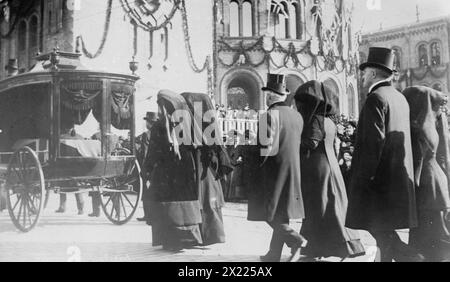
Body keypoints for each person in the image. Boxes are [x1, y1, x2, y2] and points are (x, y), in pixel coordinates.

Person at [346, 47, 422, 262]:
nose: (362, 77)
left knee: (381, 232)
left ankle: (417, 260)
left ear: (372, 73)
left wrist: (361, 180)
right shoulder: (399, 98)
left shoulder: (375, 99)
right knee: (384, 235)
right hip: (396, 182)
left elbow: (373, 144)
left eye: (364, 72)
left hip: (377, 183)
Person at [294, 80, 365, 261]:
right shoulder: (328, 120)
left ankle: (322, 247)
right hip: (329, 164)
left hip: (318, 166)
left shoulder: (316, 119)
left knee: (320, 206)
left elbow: (311, 142)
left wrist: (291, 141)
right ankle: (330, 246)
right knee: (331, 206)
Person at [247, 73, 307, 262]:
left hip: (272, 172)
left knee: (268, 212)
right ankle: (273, 254)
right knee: (282, 213)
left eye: (267, 93)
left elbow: (264, 150)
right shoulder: (297, 116)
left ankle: (295, 239)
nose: (266, 97)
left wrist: (254, 170)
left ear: (271, 96)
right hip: (292, 170)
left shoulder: (269, 116)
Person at [145, 90, 203, 251]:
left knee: (167, 205)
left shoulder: (159, 125)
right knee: (184, 206)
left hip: (165, 174)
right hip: (184, 173)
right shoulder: (187, 123)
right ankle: (188, 239)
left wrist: (147, 169)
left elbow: (153, 151)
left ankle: (171, 241)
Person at [402, 86, 450, 261]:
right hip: (437, 185)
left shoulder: (418, 129)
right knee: (435, 241)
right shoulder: (430, 124)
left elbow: (417, 163)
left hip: (427, 187)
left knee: (430, 242)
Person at [181, 92, 233, 246]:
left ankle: (209, 236)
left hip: (204, 168)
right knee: (206, 200)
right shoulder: (203, 122)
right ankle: (208, 236)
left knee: (205, 200)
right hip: (205, 169)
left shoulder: (200, 123)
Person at [135, 111, 158, 223]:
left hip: (148, 166)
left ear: (149, 122)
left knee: (145, 191)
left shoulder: (147, 134)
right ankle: (154, 215)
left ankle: (147, 215)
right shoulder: (160, 133)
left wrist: (144, 169)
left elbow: (144, 153)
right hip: (157, 167)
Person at [56, 126, 85, 215]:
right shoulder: (80, 137)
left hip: (64, 166)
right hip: (79, 166)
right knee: (77, 185)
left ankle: (62, 206)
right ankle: (80, 209)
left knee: (61, 184)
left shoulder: (60, 137)